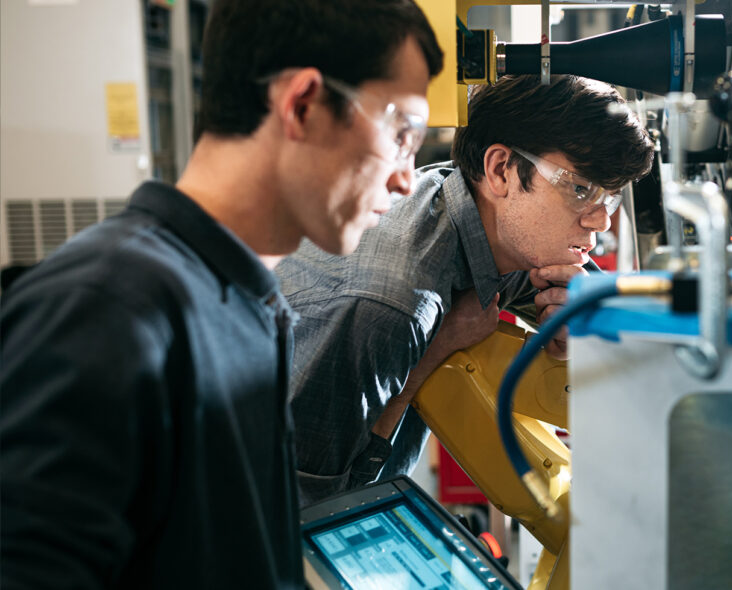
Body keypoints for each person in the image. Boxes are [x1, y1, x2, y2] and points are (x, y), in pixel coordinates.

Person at [0, 0, 442, 587]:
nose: (407, 178)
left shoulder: (246, 302)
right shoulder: (107, 310)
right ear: (302, 104)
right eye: (403, 134)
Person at [277, 74, 655, 506]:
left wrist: (579, 306)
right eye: (581, 189)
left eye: (609, 198)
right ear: (501, 171)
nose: (601, 222)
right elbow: (313, 512)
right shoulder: (391, 307)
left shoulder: (482, 216)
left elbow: (566, 288)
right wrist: (435, 352)